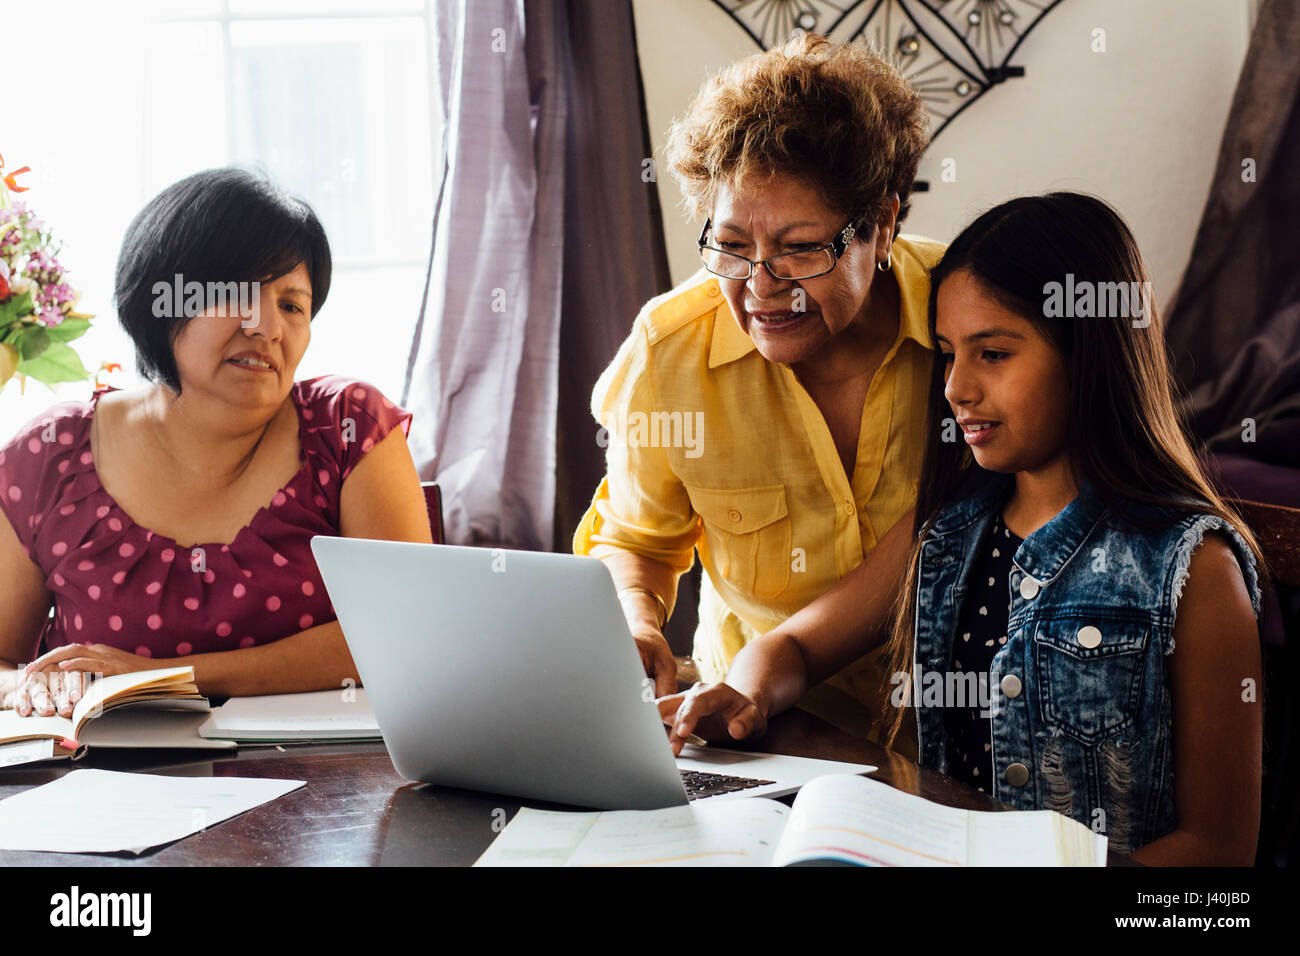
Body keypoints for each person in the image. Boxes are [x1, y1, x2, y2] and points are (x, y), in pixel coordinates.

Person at [659, 192, 1264, 864]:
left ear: (1089, 351)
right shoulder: (948, 528)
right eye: (948, 354)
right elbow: (793, 649)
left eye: (993, 354)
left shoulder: (1195, 568)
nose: (955, 387)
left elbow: (1219, 851)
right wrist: (744, 690)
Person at [574, 33, 940, 746]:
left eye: (801, 248)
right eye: (734, 246)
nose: (763, 289)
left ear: (884, 223)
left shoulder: (971, 323)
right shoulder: (672, 352)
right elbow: (637, 539)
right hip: (759, 737)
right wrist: (636, 621)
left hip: (959, 741)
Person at [0, 167, 432, 717]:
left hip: (331, 786)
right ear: (161, 303)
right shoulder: (50, 455)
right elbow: (3, 664)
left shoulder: (348, 428)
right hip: (114, 785)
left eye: (292, 306)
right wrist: (27, 688)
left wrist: (161, 678)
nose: (267, 327)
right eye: (238, 295)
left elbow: (403, 637)